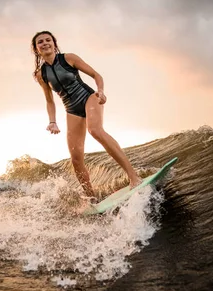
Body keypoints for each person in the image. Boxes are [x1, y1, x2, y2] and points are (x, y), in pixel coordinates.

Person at [31, 30, 141, 201]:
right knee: (75, 158)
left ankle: (134, 177)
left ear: (54, 43)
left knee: (95, 130)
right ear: (36, 48)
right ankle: (92, 199)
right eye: (40, 42)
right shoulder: (41, 74)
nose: (45, 43)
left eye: (48, 40)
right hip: (71, 109)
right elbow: (50, 101)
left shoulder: (68, 58)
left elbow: (96, 75)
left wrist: (101, 91)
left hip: (89, 98)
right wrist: (52, 121)